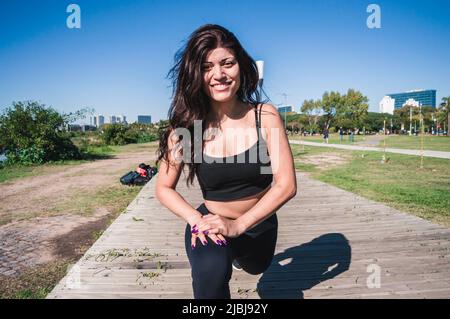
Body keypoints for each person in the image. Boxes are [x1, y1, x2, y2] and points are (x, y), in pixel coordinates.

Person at [155, 24, 297, 299]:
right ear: (196, 74)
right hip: (210, 221)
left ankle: (240, 255)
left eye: (227, 63)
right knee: (210, 273)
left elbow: (286, 185)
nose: (218, 75)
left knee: (257, 267)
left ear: (241, 67)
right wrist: (197, 220)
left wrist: (237, 226)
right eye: (207, 67)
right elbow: (163, 188)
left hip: (258, 226)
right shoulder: (187, 128)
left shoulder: (264, 117)